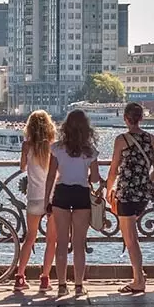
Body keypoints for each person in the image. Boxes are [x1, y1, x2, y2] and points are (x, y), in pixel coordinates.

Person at [43, 110, 103, 297]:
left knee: (61, 243)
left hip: (62, 194)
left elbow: (52, 175)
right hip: (81, 194)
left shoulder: (57, 148)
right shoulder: (90, 152)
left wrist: (47, 199)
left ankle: (61, 285)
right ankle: (78, 285)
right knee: (79, 243)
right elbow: (94, 179)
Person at [106, 102, 154, 294]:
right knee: (133, 236)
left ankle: (138, 279)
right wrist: (146, 182)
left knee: (130, 239)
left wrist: (107, 189)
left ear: (125, 119)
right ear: (141, 118)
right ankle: (139, 275)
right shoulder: (151, 138)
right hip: (143, 195)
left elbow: (113, 169)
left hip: (126, 194)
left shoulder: (122, 140)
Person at [14, 110, 58, 292]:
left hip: (33, 196)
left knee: (30, 237)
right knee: (51, 240)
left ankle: (20, 276)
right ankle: (45, 279)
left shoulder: (26, 146)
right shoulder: (53, 147)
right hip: (52, 196)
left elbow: (22, 167)